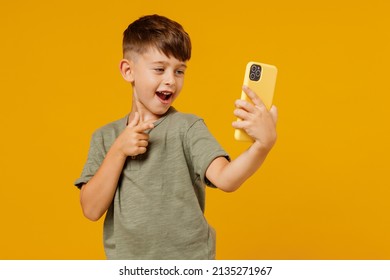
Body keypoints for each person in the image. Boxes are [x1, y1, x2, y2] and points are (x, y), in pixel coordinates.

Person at [74, 14, 278, 260]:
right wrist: (119, 151)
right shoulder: (106, 138)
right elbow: (91, 209)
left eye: (179, 71)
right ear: (128, 71)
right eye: (159, 69)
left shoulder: (187, 127)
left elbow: (226, 179)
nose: (171, 80)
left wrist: (262, 146)